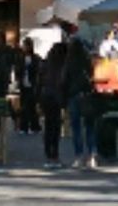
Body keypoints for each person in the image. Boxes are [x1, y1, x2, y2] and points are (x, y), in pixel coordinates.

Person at [61, 28, 97, 169]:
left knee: (76, 127)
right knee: (90, 126)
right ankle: (92, 156)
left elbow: (64, 80)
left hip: (74, 95)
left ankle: (79, 156)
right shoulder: (87, 62)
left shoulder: (69, 63)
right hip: (87, 95)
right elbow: (92, 76)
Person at [37, 39, 68, 169]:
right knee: (55, 127)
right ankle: (54, 155)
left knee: (48, 126)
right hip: (56, 97)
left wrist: (38, 98)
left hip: (45, 97)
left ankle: (48, 155)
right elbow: (64, 83)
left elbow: (39, 81)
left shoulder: (45, 64)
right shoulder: (62, 66)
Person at [17, 37, 42, 134]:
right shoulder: (21, 58)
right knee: (24, 106)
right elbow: (18, 69)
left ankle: (32, 126)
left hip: (32, 85)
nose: (24, 47)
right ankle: (25, 126)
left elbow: (37, 71)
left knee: (30, 106)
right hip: (24, 84)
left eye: (25, 45)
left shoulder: (35, 58)